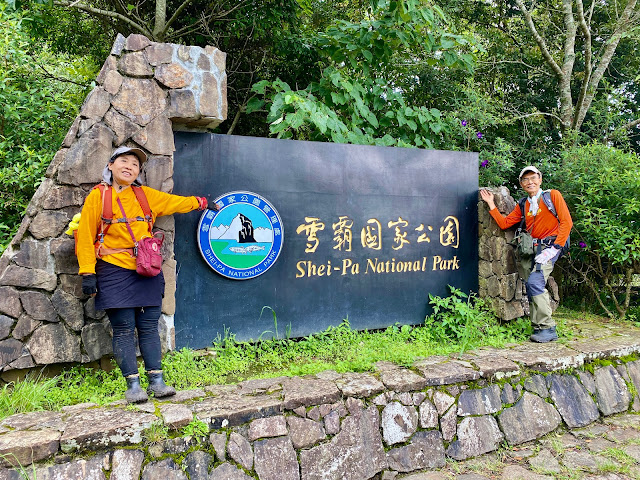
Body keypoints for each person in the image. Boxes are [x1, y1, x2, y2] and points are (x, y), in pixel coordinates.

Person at [77, 146, 212, 403]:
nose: (129, 167)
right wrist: (87, 272)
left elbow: (176, 203)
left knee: (150, 326)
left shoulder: (144, 195)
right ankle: (132, 386)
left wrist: (202, 203)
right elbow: (84, 236)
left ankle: (157, 382)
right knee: (124, 328)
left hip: (146, 268)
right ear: (111, 165)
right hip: (113, 269)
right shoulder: (98, 197)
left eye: (135, 165)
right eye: (124, 161)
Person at [480, 166, 572, 343]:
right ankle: (538, 326)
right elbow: (505, 223)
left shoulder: (552, 196)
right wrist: (491, 204)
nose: (530, 182)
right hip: (532, 250)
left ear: (540, 179)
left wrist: (554, 249)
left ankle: (547, 327)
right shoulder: (524, 204)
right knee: (531, 285)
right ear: (522, 184)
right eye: (525, 180)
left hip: (550, 247)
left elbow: (566, 223)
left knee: (535, 282)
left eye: (533, 178)